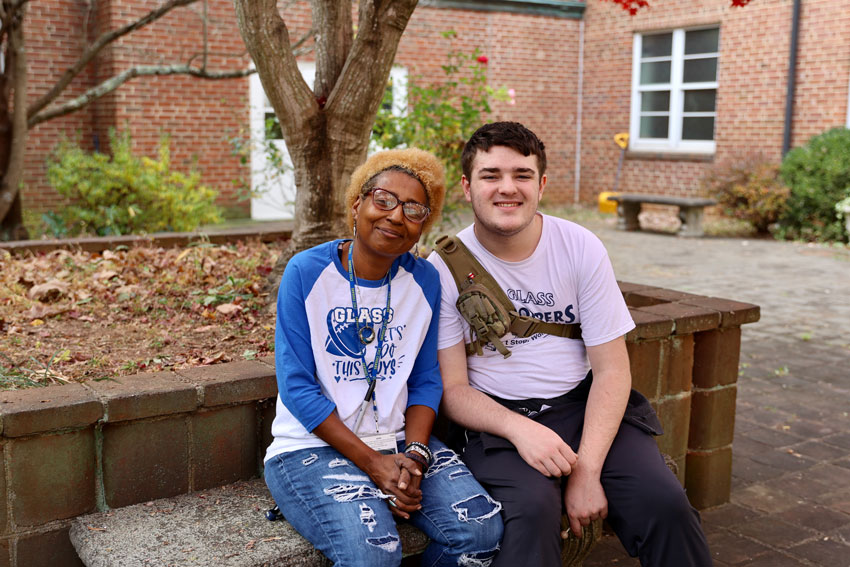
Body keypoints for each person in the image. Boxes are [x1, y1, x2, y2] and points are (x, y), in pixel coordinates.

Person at [428, 122, 712, 567]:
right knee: (531, 514)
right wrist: (522, 430)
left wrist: (587, 471)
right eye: (491, 175)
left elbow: (613, 370)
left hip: (585, 409)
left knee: (664, 504)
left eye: (522, 175)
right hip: (500, 422)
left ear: (541, 184)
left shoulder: (579, 246)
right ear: (467, 186)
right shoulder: (443, 266)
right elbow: (454, 391)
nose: (508, 188)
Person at [264, 148, 503, 567]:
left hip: (397, 441)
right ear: (357, 203)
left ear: (422, 226)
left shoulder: (424, 279)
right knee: (372, 555)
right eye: (383, 199)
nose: (395, 216)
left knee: (479, 531)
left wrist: (414, 455)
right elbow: (297, 387)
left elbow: (427, 379)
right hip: (310, 447)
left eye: (414, 209)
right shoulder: (306, 272)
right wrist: (375, 466)